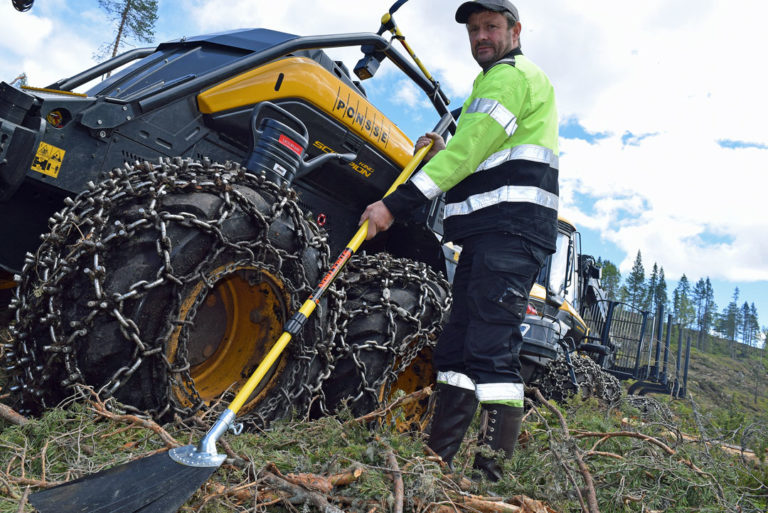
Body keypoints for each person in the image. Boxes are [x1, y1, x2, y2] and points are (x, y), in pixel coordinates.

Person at [359, 0, 559, 481]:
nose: (480, 36)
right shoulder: (491, 85)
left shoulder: (510, 78)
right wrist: (443, 152)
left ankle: (489, 479)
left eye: (491, 26)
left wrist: (394, 204)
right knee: (455, 353)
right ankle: (437, 465)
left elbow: (468, 154)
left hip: (509, 236)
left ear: (515, 31)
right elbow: (479, 158)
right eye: (473, 29)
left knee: (491, 351)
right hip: (486, 237)